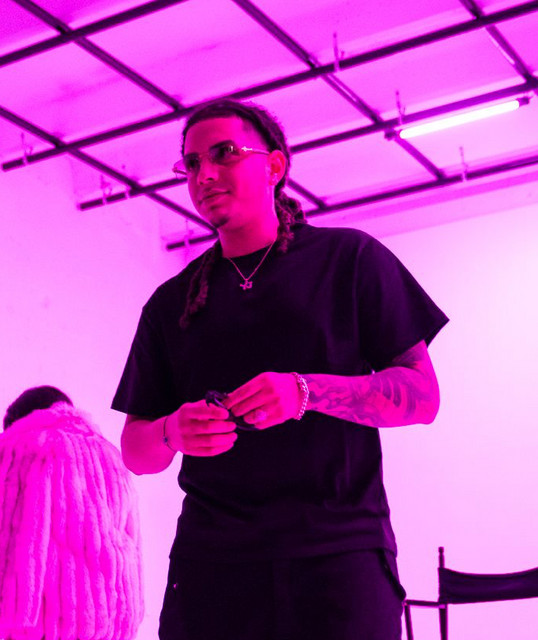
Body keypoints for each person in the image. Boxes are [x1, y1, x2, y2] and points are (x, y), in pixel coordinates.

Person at [112, 99, 449, 640]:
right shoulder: (169, 304)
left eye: (224, 153)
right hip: (211, 568)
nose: (204, 174)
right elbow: (135, 449)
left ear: (274, 165)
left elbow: (421, 395)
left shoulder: (350, 260)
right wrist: (173, 430)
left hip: (338, 559)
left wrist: (305, 392)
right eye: (192, 163)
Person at [0, 386, 144, 640]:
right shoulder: (111, 455)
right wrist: (134, 611)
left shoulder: (23, 446)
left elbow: (13, 538)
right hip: (107, 619)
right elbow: (133, 541)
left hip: (44, 623)